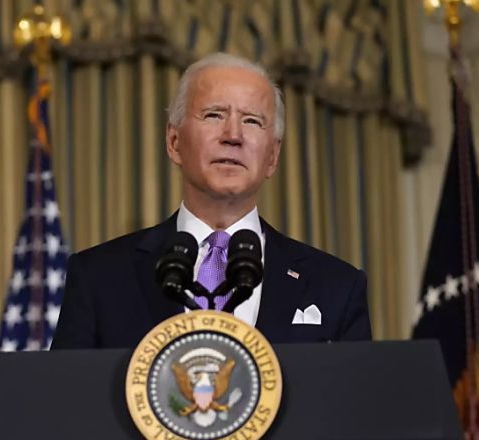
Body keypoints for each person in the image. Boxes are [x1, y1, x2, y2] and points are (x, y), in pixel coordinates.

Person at [51, 53, 371, 349]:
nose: (233, 135)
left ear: (272, 156)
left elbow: (353, 407)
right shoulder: (99, 278)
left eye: (252, 121)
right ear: (174, 142)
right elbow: (68, 403)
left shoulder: (337, 288)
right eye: (214, 114)